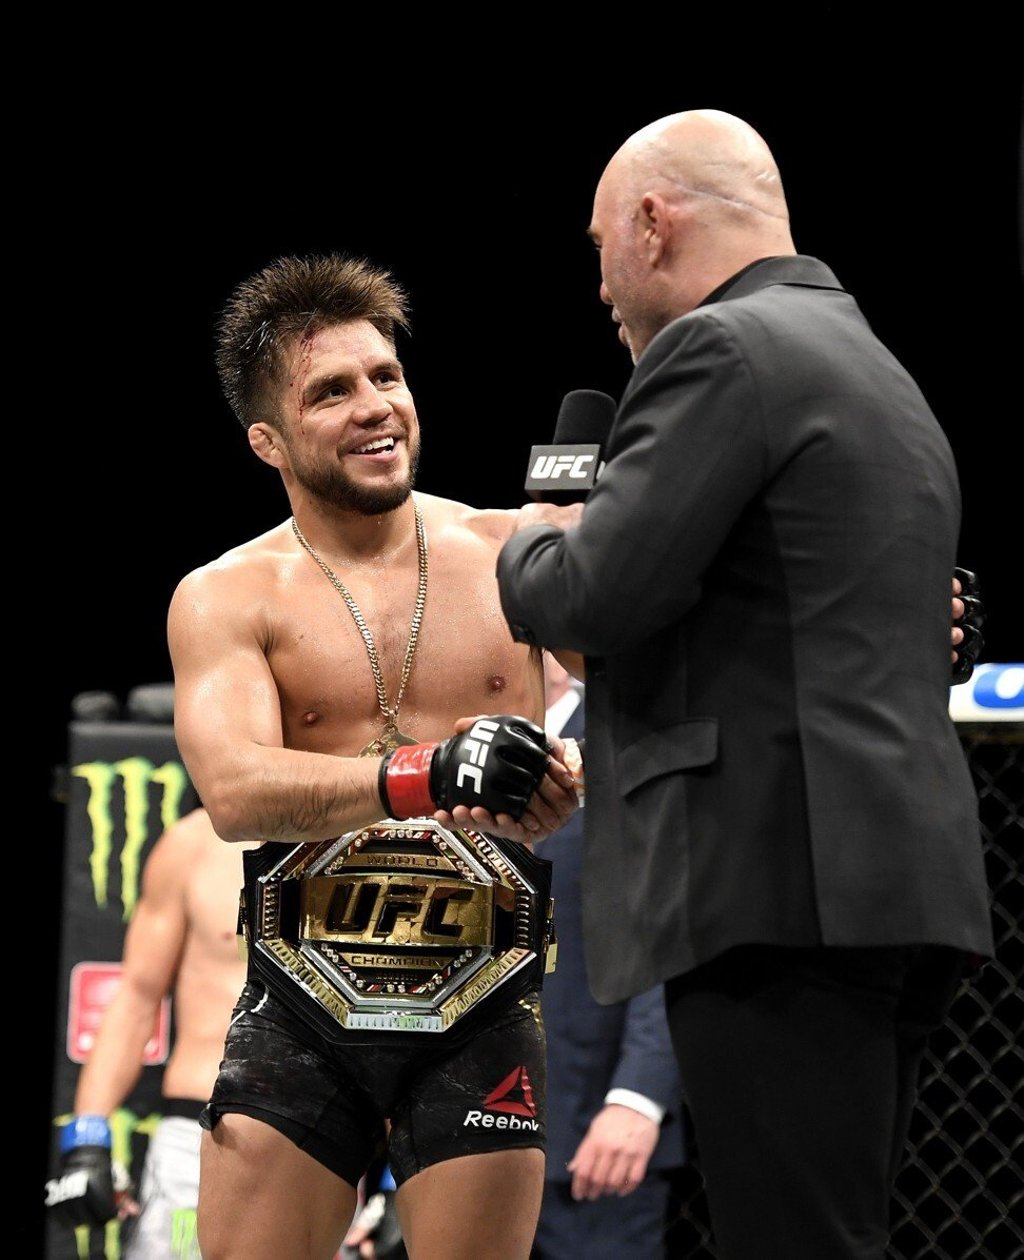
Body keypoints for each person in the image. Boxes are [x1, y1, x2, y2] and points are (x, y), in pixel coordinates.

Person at [488, 110, 996, 1259]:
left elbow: (593, 596)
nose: (602, 287)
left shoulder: (721, 350)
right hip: (891, 878)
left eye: (599, 244)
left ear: (653, 225)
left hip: (781, 880)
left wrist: (532, 539)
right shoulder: (871, 361)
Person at [164, 253, 581, 1260]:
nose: (372, 406)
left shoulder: (508, 554)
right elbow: (234, 791)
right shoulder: (229, 596)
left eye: (384, 376)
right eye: (331, 391)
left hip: (479, 1002)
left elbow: (690, 667)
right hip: (299, 1015)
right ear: (267, 440)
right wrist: (429, 773)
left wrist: (874, 620)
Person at [531, 652, 685, 1260]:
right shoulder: (448, 752)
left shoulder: (638, 741)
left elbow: (672, 930)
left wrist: (638, 1096)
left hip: (592, 1134)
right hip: (454, 1135)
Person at [45, 807, 251, 1259]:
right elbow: (137, 996)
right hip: (200, 1135)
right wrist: (86, 1138)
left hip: (335, 1137)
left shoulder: (374, 839)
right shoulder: (195, 843)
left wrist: (396, 1173)